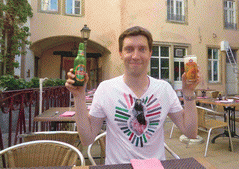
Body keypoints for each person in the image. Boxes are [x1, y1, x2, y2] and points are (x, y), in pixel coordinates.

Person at [65, 26, 200, 165]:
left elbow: (190, 133)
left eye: (142, 49)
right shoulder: (106, 88)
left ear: (150, 53)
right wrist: (79, 96)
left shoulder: (164, 89)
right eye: (129, 49)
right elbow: (87, 139)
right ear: (120, 53)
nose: (135, 56)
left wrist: (189, 92)